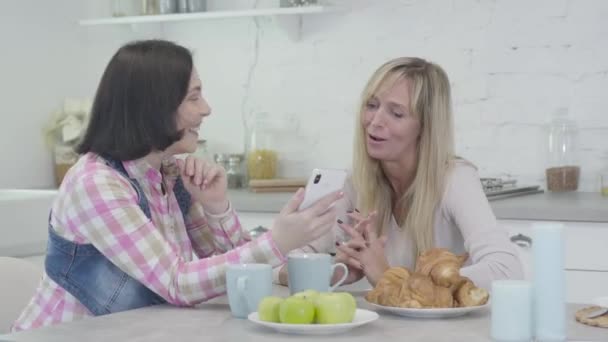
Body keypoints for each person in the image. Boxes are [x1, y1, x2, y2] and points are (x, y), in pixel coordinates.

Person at [12, 40, 342, 332]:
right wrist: (277, 241)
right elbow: (178, 282)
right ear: (153, 107)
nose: (207, 109)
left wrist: (217, 207)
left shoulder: (168, 175)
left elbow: (232, 273)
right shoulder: (96, 186)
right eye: (193, 97)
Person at [277, 57, 523, 290]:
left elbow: (506, 270)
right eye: (372, 106)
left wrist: (393, 280)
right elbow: (283, 265)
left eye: (396, 113)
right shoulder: (353, 183)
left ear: (425, 127)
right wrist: (335, 270)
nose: (375, 122)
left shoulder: (454, 179)